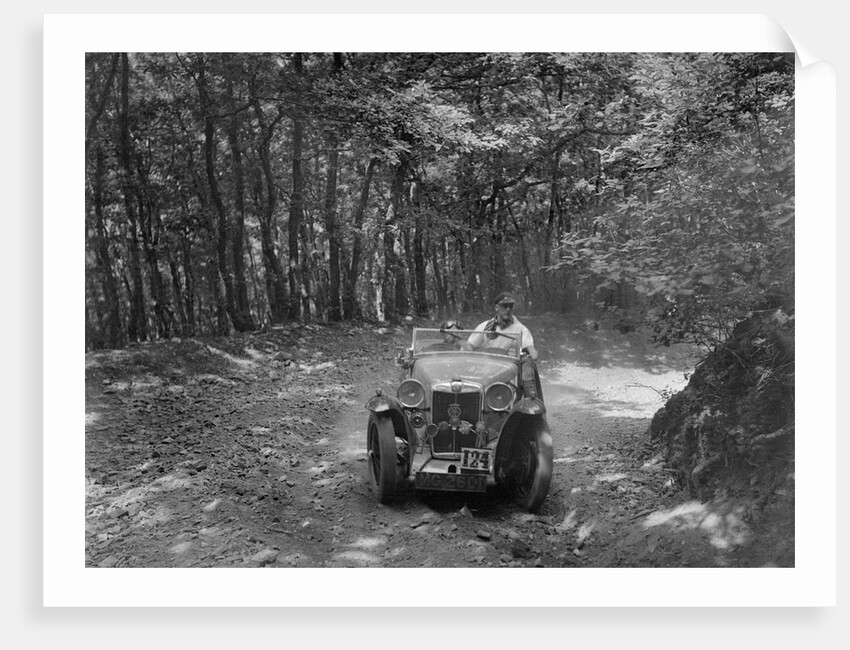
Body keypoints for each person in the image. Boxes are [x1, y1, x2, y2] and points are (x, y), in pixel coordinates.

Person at [467, 292, 538, 360]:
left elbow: (532, 351)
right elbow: (470, 346)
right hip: (485, 366)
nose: (508, 309)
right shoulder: (485, 326)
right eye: (504, 306)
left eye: (510, 306)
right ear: (497, 307)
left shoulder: (521, 330)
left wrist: (530, 358)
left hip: (509, 368)